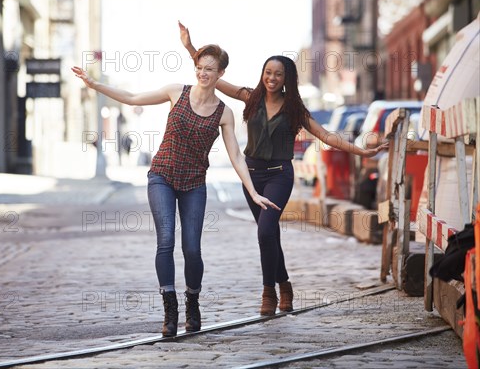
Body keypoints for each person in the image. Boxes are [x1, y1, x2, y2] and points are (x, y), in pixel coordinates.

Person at [178, 22, 387, 316]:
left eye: (278, 74)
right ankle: (285, 284)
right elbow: (210, 78)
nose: (272, 78)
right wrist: (190, 47)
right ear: (262, 75)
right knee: (270, 234)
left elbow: (327, 136)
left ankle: (269, 292)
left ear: (287, 78)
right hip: (251, 175)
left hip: (279, 175)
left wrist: (362, 150)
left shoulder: (295, 110)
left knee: (265, 231)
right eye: (268, 73)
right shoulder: (250, 97)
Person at [72, 44, 279, 337]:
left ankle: (192, 301)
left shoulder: (224, 113)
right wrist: (94, 84)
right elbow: (132, 97)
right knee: (166, 240)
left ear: (221, 73)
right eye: (199, 67)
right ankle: (170, 309)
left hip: (194, 183)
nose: (203, 72)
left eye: (209, 69)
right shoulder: (176, 92)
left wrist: (253, 192)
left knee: (192, 249)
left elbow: (235, 155)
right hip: (162, 177)